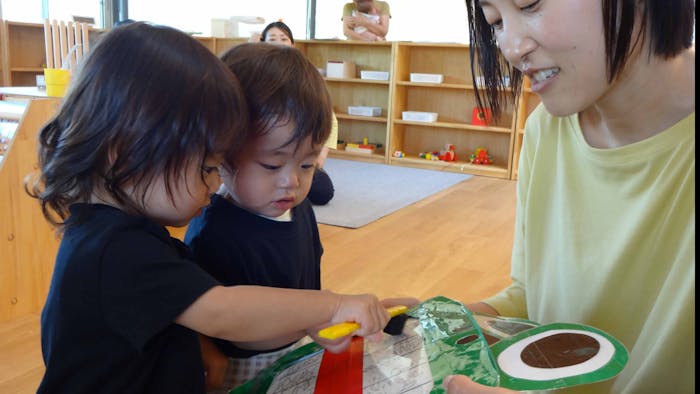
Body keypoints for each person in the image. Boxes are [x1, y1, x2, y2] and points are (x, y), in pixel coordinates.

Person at [26, 22, 394, 393]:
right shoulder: (113, 250)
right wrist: (328, 307)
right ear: (123, 151)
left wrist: (317, 322)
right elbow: (222, 312)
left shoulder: (130, 236)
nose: (216, 183)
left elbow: (178, 315)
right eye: (207, 168)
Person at [445, 0, 695, 393]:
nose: (510, 48)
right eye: (494, 21)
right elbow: (533, 299)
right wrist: (437, 322)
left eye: (529, 4)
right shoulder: (545, 130)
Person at [183, 42, 330, 392]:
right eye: (272, 165)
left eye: (307, 164)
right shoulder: (213, 232)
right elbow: (230, 329)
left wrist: (323, 318)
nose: (292, 181)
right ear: (225, 155)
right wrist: (318, 316)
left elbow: (310, 283)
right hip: (244, 369)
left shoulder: (300, 209)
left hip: (297, 349)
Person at [256, 20, 337, 205]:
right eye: (272, 39)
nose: (277, 43)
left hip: (297, 154)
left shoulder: (304, 75)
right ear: (261, 44)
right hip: (263, 154)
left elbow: (329, 118)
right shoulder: (255, 74)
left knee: (323, 191)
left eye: (283, 39)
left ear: (292, 44)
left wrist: (318, 155)